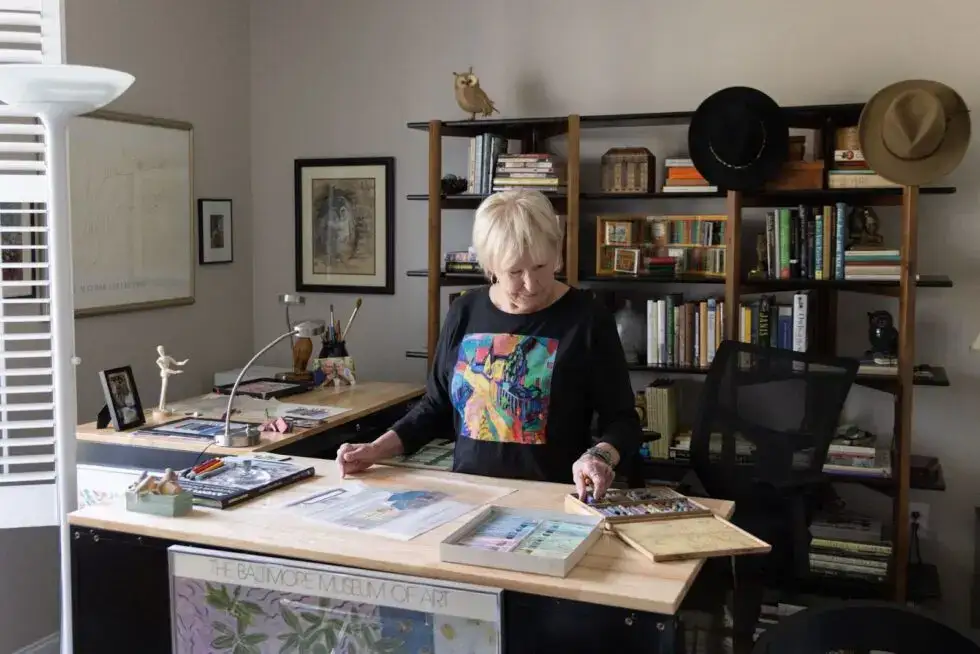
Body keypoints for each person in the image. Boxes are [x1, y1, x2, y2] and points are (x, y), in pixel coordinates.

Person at [336, 189, 643, 499]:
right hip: (468, 497)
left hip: (553, 500)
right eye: (515, 271)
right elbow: (435, 407)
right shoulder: (465, 311)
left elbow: (623, 421)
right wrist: (375, 449)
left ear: (557, 251)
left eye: (541, 266)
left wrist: (599, 456)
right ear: (490, 266)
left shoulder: (588, 318)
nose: (531, 284)